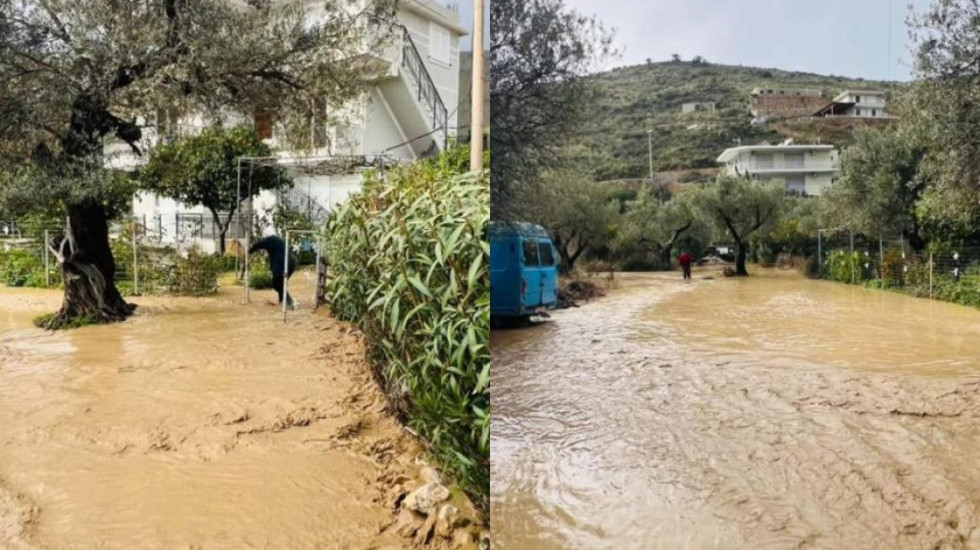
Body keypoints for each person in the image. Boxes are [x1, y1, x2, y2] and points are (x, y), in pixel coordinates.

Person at [248, 234, 296, 307]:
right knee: (281, 283)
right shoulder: (278, 242)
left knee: (277, 284)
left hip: (283, 264)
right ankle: (282, 301)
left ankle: (289, 302)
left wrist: (249, 252)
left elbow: (259, 244)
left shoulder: (269, 241)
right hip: (291, 264)